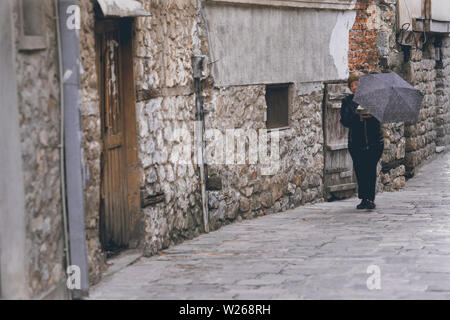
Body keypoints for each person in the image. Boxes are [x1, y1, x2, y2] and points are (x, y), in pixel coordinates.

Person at [340, 72, 384, 210]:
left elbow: (381, 116)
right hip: (356, 143)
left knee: (370, 169)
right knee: (359, 169)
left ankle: (370, 198)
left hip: (374, 142)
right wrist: (358, 117)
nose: (355, 87)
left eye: (357, 84)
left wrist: (372, 116)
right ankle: (363, 198)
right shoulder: (347, 102)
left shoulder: (373, 99)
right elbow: (345, 120)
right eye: (352, 85)